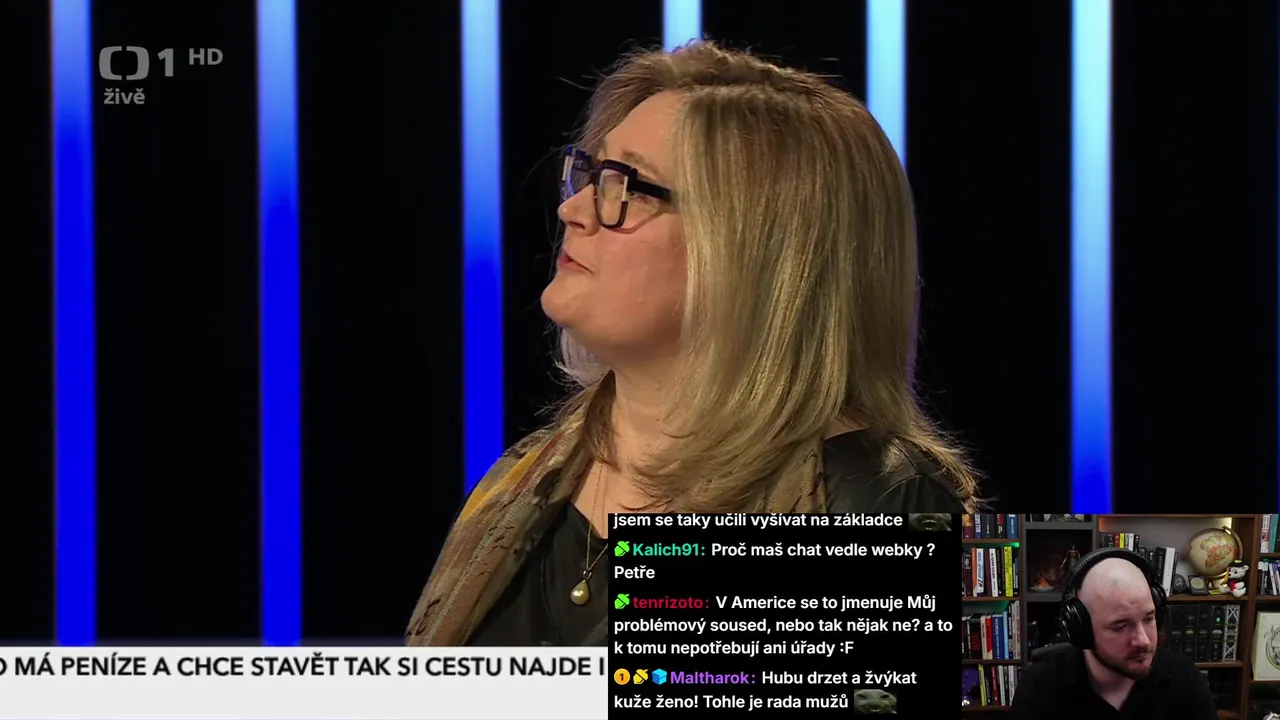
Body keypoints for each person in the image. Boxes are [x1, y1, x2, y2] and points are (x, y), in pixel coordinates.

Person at [405, 40, 981, 647]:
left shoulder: (880, 503)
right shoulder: (524, 478)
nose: (573, 208)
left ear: (754, 252)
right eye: (589, 173)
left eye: (625, 185)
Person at [1009, 548, 1218, 719]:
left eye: (1148, 619)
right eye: (1120, 626)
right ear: (1081, 629)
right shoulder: (1039, 688)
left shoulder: (1185, 678)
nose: (1143, 641)